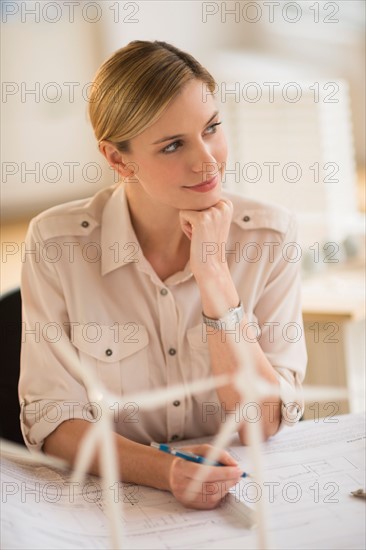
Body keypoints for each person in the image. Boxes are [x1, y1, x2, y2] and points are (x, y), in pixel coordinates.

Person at [19, 40, 307, 510]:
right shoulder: (56, 246)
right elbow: (54, 422)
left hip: (243, 498)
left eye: (211, 128)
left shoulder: (270, 237)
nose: (207, 160)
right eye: (173, 145)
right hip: (113, 506)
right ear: (117, 159)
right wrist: (166, 471)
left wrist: (215, 279)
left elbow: (262, 421)